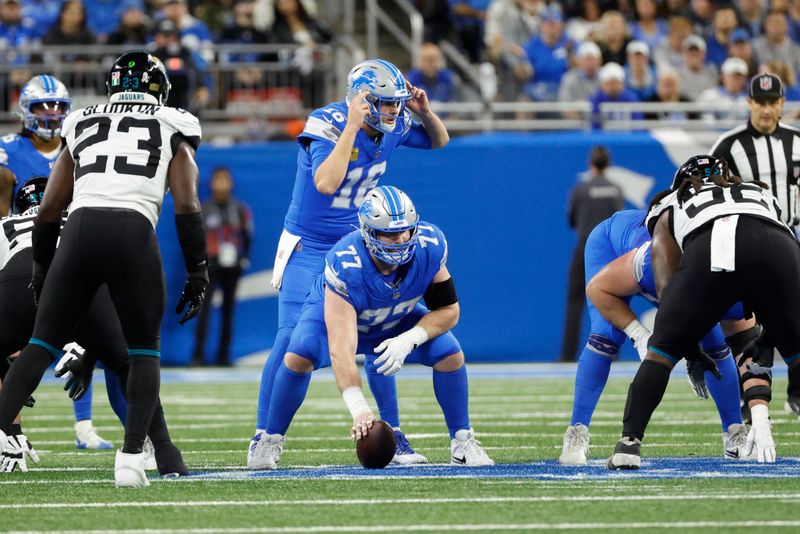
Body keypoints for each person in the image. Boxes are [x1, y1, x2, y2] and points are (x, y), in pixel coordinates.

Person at [0, 50, 207, 487]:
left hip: (77, 233)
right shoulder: (176, 121)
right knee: (142, 351)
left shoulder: (81, 121)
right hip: (133, 229)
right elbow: (187, 205)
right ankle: (134, 458)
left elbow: (50, 208)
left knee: (40, 344)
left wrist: (41, 267)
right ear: (160, 89)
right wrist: (198, 270)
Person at [249, 58, 449, 469]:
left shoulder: (394, 125)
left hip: (359, 244)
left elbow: (439, 141)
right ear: (360, 99)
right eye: (385, 103)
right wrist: (353, 127)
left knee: (379, 332)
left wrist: (425, 112)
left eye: (396, 103)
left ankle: (393, 433)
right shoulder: (326, 122)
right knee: (291, 340)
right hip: (310, 245)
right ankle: (265, 435)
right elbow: (326, 182)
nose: (394, 111)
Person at [257, 186, 494, 469]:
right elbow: (342, 350)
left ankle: (462, 441)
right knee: (300, 352)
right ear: (369, 233)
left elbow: (449, 312)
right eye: (392, 234)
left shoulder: (429, 245)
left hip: (393, 319)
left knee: (449, 352)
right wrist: (359, 409)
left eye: (406, 230)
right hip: (338, 319)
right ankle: (269, 440)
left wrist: (410, 338)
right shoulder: (347, 261)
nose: (402, 239)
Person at [607, 154, 800, 468]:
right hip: (778, 248)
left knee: (661, 351)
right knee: (796, 352)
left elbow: (666, 278)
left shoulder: (671, 202)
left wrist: (685, 341)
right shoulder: (759, 191)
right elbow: (784, 247)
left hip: (714, 249)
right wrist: (777, 334)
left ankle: (628, 445)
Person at [0, 178, 186, 476]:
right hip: (80, 281)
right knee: (128, 361)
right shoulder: (81, 215)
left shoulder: (6, 224)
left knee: (38, 347)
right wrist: (91, 349)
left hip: (19, 279)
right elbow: (106, 288)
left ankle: (8, 432)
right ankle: (165, 451)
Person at [559, 204, 749, 465]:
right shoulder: (648, 263)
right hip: (614, 251)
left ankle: (734, 433)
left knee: (714, 342)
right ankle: (576, 433)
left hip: (676, 272)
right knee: (606, 336)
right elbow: (598, 289)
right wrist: (639, 335)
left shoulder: (714, 264)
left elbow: (739, 332)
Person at [0, 74, 119, 450]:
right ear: (25, 111)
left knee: (92, 335)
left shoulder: (81, 146)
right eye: (42, 108)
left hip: (73, 251)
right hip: (21, 256)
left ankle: (84, 425)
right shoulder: (6, 152)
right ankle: (11, 432)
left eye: (58, 109)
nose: (51, 116)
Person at [710, 73, 800, 416]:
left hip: (790, 237)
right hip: (748, 243)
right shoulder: (729, 145)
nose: (765, 109)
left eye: (772, 102)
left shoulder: (796, 141)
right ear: (749, 102)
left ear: (782, 103)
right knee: (755, 324)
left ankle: (791, 388)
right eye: (760, 102)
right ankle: (754, 394)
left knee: (788, 319)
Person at [560, 146, 624, 362]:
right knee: (612, 300)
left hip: (585, 249)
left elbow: (571, 220)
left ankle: (568, 355)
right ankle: (611, 353)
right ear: (608, 164)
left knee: (575, 301)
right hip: (609, 252)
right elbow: (619, 220)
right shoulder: (616, 189)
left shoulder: (581, 189)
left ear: (591, 164)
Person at [191, 167, 254, 367]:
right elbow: (195, 237)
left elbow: (248, 235)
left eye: (225, 180)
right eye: (218, 180)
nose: (222, 184)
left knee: (229, 310)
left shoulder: (240, 209)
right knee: (203, 309)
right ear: (211, 184)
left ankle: (223, 355)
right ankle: (198, 355)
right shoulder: (204, 208)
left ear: (231, 183)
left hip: (233, 264)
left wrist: (244, 258)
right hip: (209, 264)